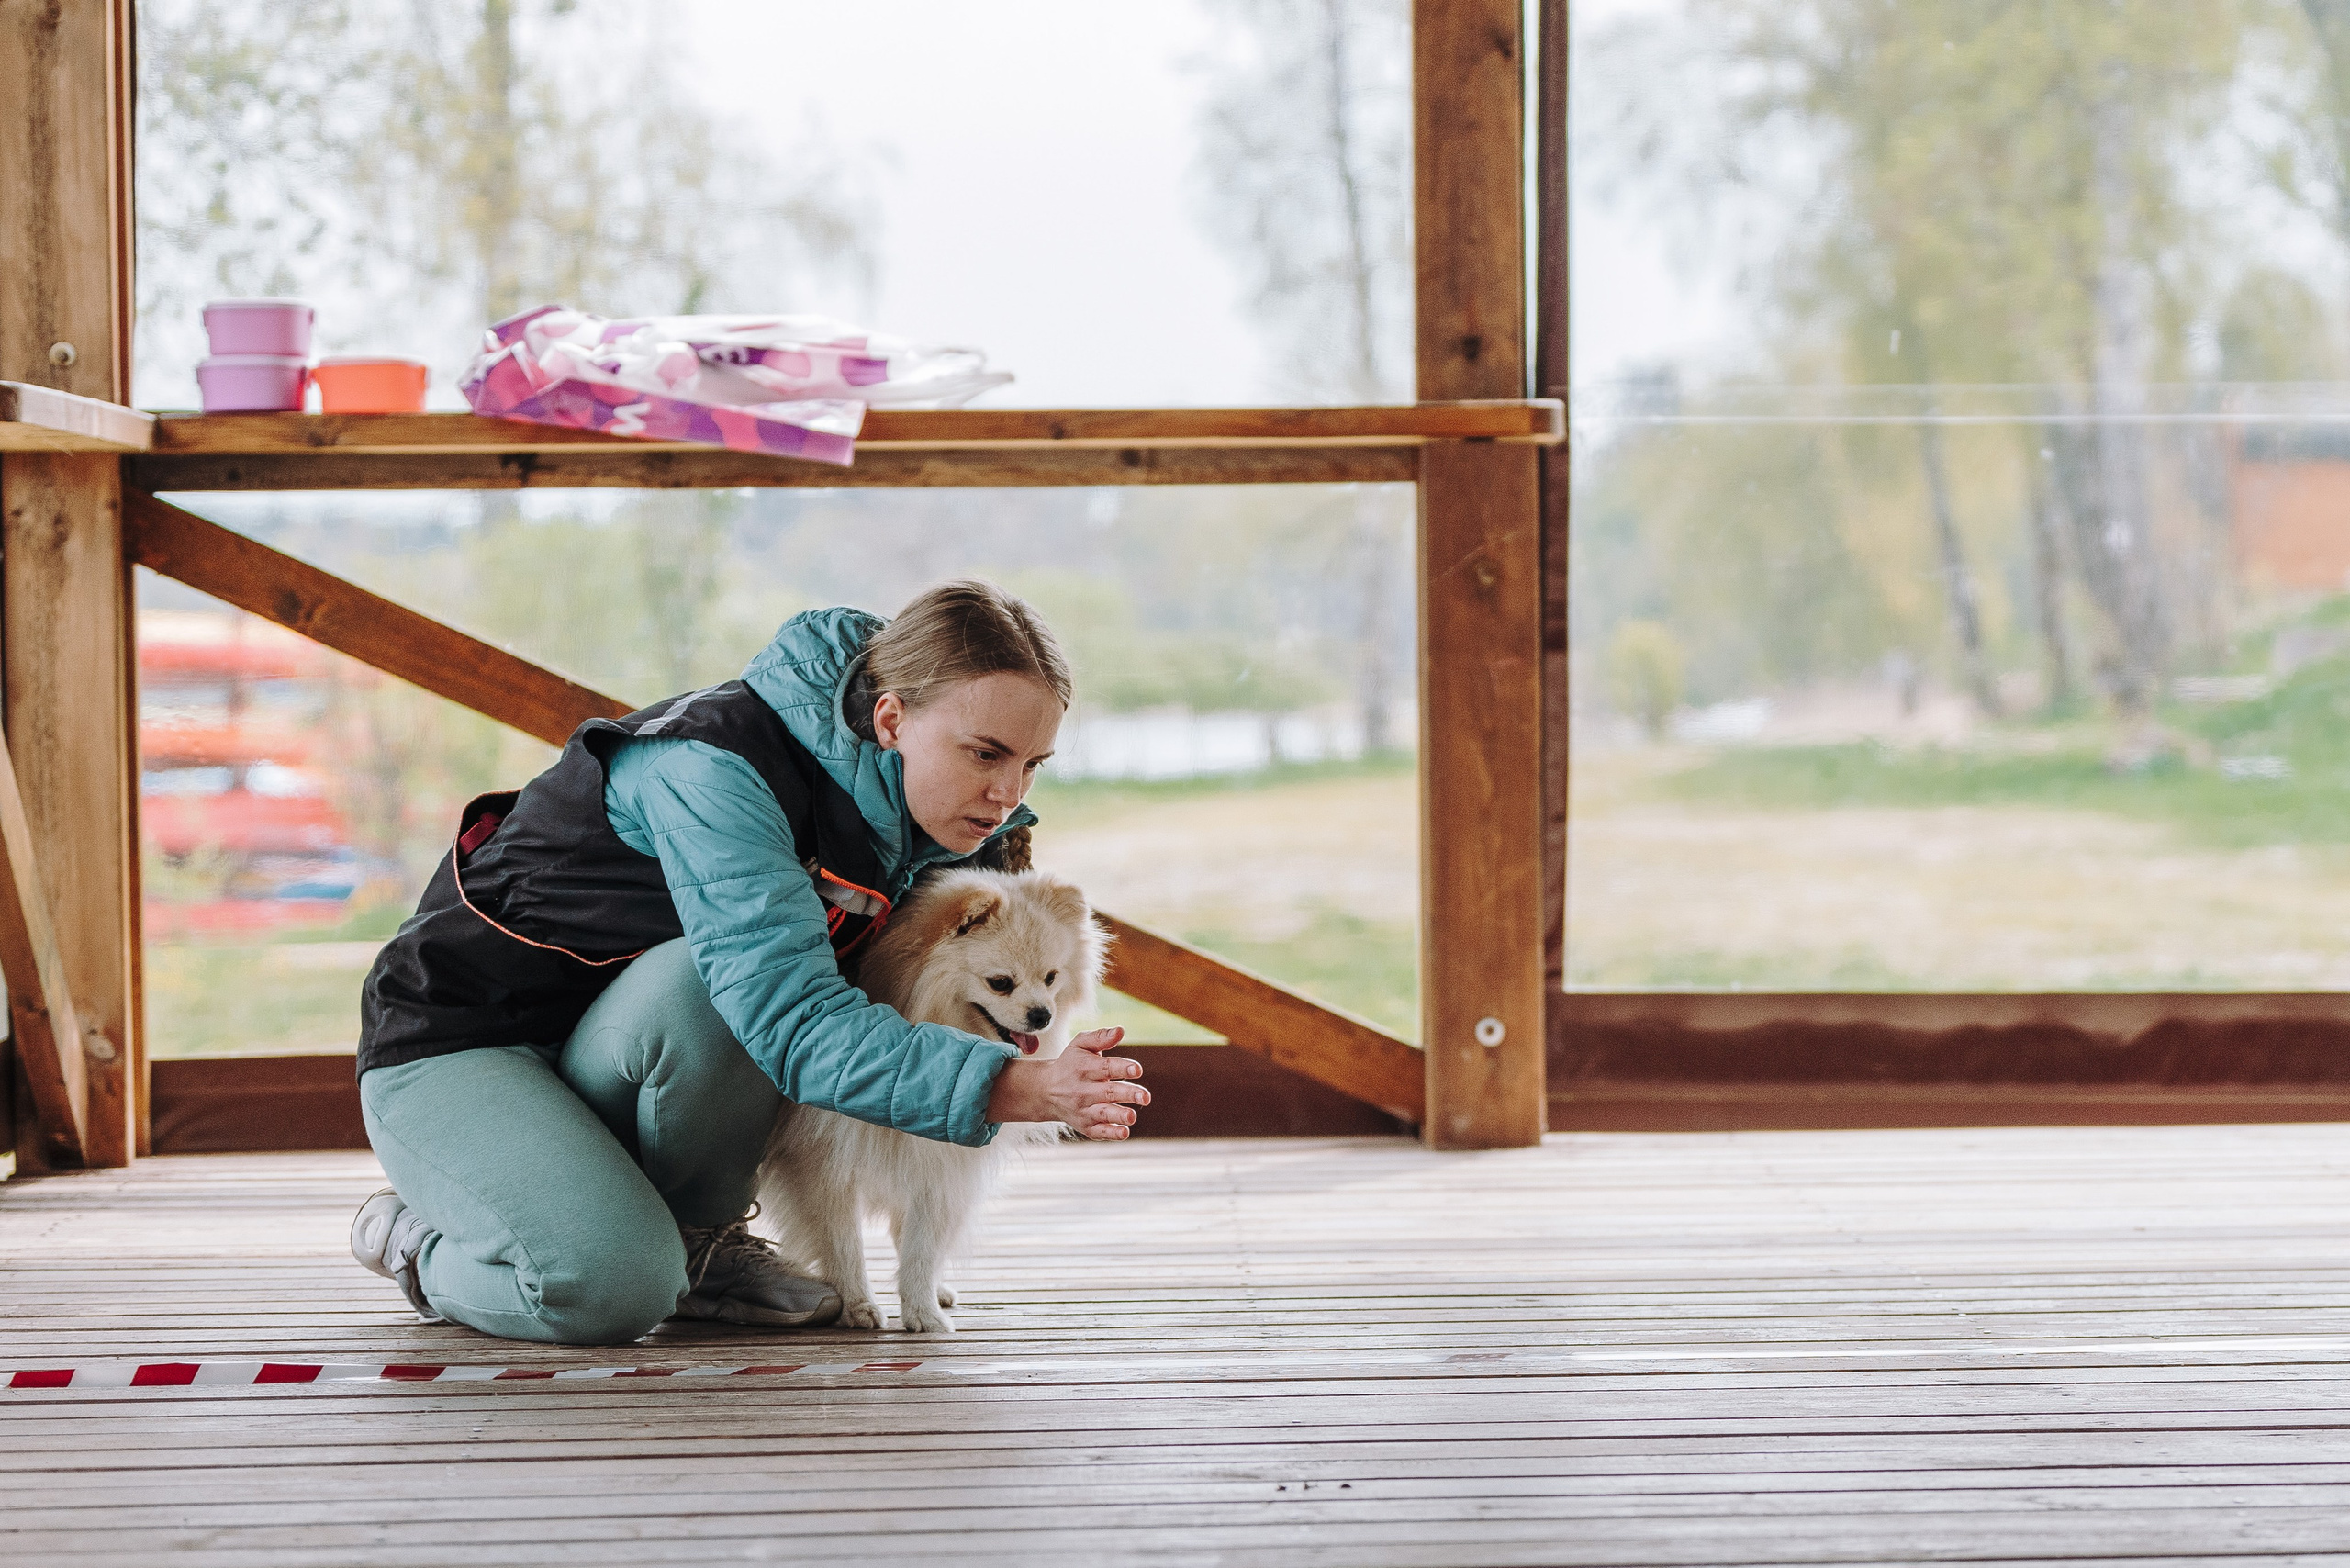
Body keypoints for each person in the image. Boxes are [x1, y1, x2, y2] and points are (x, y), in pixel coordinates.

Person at [345, 580, 1148, 1343]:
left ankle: (701, 1239)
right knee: (612, 1286)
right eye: (985, 754)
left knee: (713, 985)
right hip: (460, 1043)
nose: (1009, 791)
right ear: (893, 718)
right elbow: (790, 1018)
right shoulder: (715, 770)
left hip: (611, 1045)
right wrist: (1014, 1085)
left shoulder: (940, 821)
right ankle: (418, 1237)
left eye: (1032, 764)